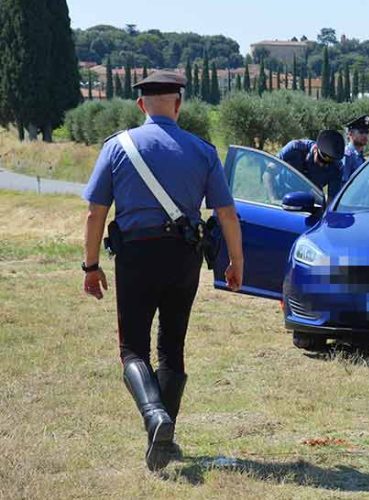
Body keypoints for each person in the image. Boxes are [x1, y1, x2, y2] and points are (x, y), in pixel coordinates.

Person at [81, 71, 244, 471]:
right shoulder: (203, 150)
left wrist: (91, 265)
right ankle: (163, 444)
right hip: (185, 256)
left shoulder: (117, 147)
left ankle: (155, 417)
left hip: (136, 255)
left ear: (141, 105)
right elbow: (226, 213)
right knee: (172, 347)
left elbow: (95, 212)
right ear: (179, 103)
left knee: (132, 349)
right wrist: (235, 262)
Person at [277, 130, 346, 197]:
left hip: (310, 197)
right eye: (321, 160)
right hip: (282, 191)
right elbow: (270, 170)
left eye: (328, 164)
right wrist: (272, 198)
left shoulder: (336, 168)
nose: (322, 165)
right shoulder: (294, 148)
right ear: (315, 149)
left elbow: (331, 197)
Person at [342, 114, 369, 183]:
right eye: (361, 132)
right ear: (350, 134)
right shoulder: (346, 156)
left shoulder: (361, 157)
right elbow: (343, 184)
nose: (365, 135)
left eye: (367, 132)